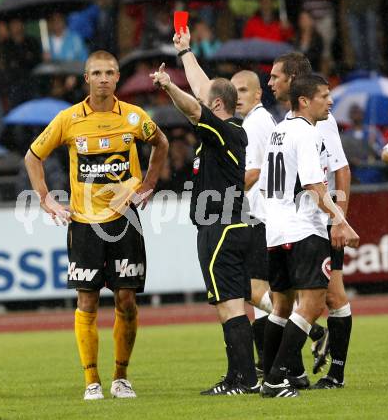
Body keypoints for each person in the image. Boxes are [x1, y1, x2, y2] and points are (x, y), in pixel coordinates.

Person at [24, 50, 168, 400]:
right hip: (85, 223)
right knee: (87, 301)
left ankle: (120, 377)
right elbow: (33, 156)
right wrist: (45, 198)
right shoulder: (68, 119)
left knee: (127, 300)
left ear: (118, 77)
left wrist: (147, 184)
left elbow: (161, 143)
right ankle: (92, 380)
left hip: (124, 220)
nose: (104, 78)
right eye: (97, 73)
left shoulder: (135, 118)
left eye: (110, 72)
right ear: (86, 78)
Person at [151, 30, 260, 395]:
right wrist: (185, 53)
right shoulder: (227, 130)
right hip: (231, 224)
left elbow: (195, 105)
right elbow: (204, 93)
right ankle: (241, 376)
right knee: (234, 304)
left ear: (216, 107)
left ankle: (243, 380)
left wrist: (168, 85)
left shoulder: (223, 130)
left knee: (230, 308)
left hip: (221, 226)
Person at [259, 74, 360, 398]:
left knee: (281, 306)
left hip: (276, 230)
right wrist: (340, 220)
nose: (330, 101)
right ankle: (276, 379)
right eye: (324, 96)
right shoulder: (306, 134)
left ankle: (269, 378)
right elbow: (315, 187)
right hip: (303, 229)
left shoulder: (279, 131)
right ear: (305, 100)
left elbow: (266, 185)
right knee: (313, 303)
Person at [230, 70, 276, 376]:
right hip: (265, 216)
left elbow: (254, 172)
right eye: (234, 91)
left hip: (262, 218)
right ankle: (267, 363)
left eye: (244, 90)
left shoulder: (255, 123)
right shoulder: (261, 121)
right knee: (260, 293)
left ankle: (309, 328)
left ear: (258, 94)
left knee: (252, 289)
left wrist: (225, 194)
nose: (238, 97)